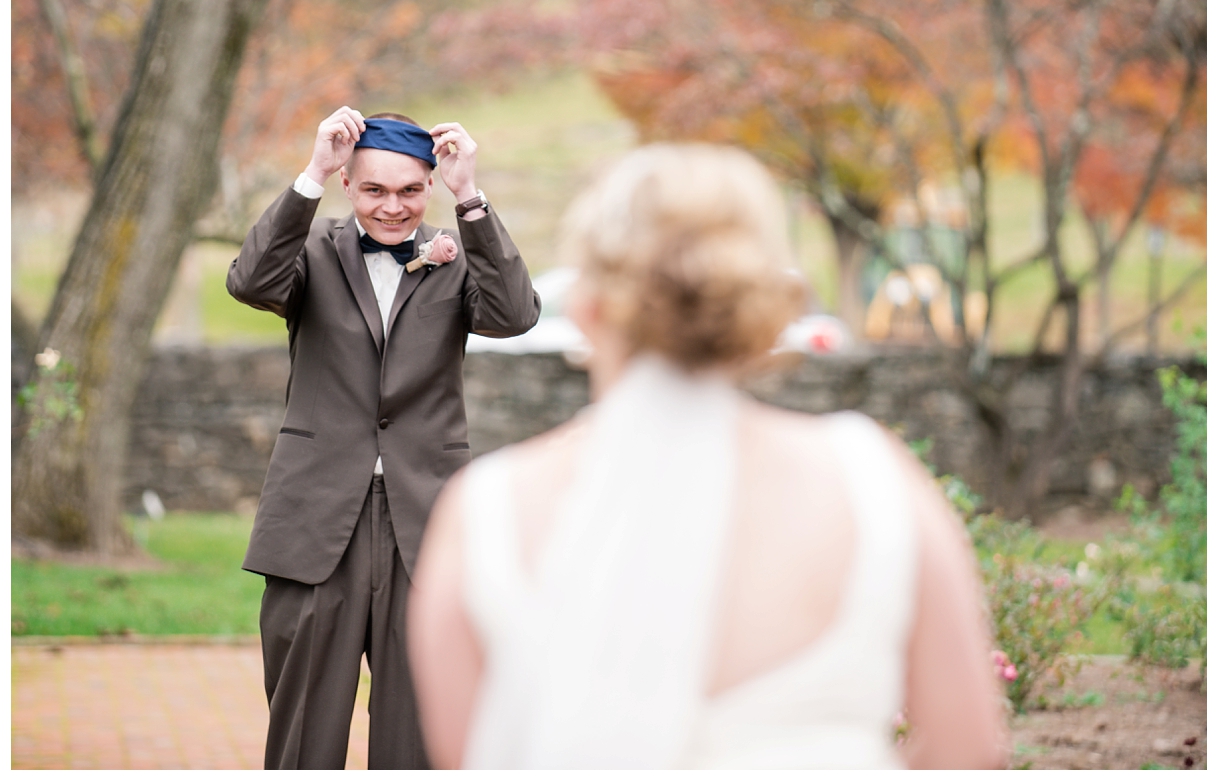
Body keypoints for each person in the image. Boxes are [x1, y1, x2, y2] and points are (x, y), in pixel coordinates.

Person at [408, 143, 1009, 769]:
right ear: (766, 308)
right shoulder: (875, 482)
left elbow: (467, 757)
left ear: (587, 311)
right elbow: (967, 751)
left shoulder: (489, 510)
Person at [226, 106, 540, 769]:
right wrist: (311, 170)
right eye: (374, 189)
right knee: (302, 735)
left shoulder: (456, 262)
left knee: (420, 737)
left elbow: (514, 315)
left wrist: (469, 195)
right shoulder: (308, 256)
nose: (392, 207)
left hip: (425, 525)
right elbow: (250, 280)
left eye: (409, 189)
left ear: (427, 185)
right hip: (314, 525)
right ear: (348, 184)